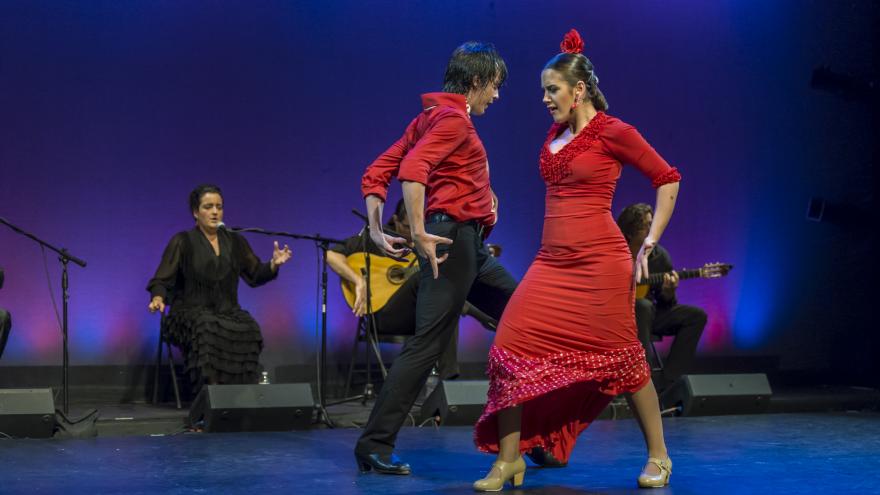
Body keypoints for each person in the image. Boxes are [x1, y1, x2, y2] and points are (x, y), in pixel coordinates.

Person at [472, 29, 682, 490]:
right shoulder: (556, 133)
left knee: (625, 361)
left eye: (552, 89)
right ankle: (509, 460)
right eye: (544, 91)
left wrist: (649, 242)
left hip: (601, 265)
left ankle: (659, 456)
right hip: (550, 264)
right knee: (509, 349)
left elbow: (667, 178)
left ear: (579, 89)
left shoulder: (614, 131)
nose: (545, 99)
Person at [354, 41, 518, 476]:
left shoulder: (428, 118)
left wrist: (375, 230)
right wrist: (421, 229)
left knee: (524, 316)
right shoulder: (454, 122)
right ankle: (374, 443)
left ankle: (531, 435)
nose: (497, 96)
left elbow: (377, 172)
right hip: (453, 243)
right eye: (495, 86)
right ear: (476, 81)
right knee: (426, 346)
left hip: (470, 246)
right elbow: (411, 171)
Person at [328, 199, 497, 381]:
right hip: (382, 317)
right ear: (395, 220)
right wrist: (358, 281)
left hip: (415, 317)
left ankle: (449, 382)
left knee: (446, 305)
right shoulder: (376, 239)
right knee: (423, 279)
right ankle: (486, 316)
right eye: (408, 227)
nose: (413, 233)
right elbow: (331, 254)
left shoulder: (423, 242)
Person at [147, 184, 292, 391]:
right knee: (207, 327)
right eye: (208, 207)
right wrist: (158, 298)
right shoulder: (183, 241)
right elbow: (161, 279)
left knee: (249, 327)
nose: (215, 212)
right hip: (189, 313)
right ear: (196, 212)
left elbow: (255, 274)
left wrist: (273, 264)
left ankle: (239, 398)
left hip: (227, 311)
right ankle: (210, 399)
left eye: (219, 206)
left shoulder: (234, 240)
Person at [617, 203, 707, 392]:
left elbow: (666, 304)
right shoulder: (613, 254)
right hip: (615, 318)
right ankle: (641, 377)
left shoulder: (659, 257)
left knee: (696, 316)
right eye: (647, 226)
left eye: (653, 224)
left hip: (646, 317)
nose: (653, 230)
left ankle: (665, 385)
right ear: (630, 232)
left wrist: (668, 292)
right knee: (642, 305)